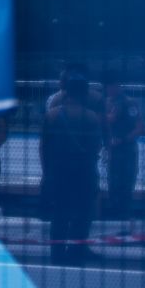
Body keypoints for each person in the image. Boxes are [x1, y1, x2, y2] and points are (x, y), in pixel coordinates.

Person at [40, 73, 102, 265]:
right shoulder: (91, 117)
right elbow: (95, 147)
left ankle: (57, 254)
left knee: (59, 213)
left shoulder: (51, 115)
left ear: (66, 92)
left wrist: (47, 171)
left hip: (58, 172)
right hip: (83, 172)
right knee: (83, 213)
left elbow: (44, 146)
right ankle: (77, 251)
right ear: (84, 94)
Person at [102, 69, 143, 225]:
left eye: (113, 86)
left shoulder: (129, 103)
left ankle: (124, 215)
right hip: (112, 151)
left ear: (118, 86)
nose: (110, 90)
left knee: (126, 183)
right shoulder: (105, 103)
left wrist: (123, 140)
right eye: (108, 87)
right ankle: (114, 215)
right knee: (113, 183)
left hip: (127, 151)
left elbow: (139, 128)